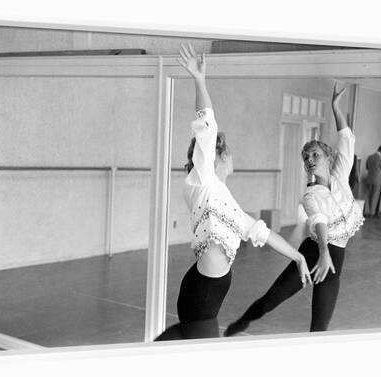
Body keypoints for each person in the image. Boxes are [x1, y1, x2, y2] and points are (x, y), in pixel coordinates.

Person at [154, 44, 312, 341]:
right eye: (231, 153)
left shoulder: (226, 201)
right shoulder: (202, 179)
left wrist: (298, 258)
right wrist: (199, 81)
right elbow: (207, 128)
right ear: (218, 157)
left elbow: (263, 233)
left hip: (208, 293)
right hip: (201, 294)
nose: (234, 157)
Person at [224, 83, 365, 336]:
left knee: (319, 328)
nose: (309, 161)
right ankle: (243, 321)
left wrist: (335, 107)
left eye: (314, 155)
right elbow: (319, 221)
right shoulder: (310, 195)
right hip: (315, 252)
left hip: (334, 260)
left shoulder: (341, 175)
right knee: (271, 300)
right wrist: (323, 252)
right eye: (306, 158)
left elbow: (346, 138)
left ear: (327, 156)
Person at [365, 145, 381, 217]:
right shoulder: (380, 158)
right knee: (375, 197)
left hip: (369, 179)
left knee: (370, 196)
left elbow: (367, 168)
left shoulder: (370, 157)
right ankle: (372, 213)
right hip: (377, 180)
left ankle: (368, 212)